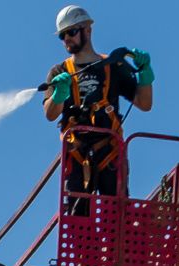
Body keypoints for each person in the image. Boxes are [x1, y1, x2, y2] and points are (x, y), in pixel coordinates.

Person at [42, 6, 155, 201]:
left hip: (109, 151)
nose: (67, 38)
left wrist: (145, 74)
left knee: (116, 211)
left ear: (88, 29)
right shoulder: (59, 72)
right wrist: (59, 94)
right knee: (77, 216)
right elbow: (50, 114)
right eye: (62, 35)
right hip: (77, 153)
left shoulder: (112, 67)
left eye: (71, 32)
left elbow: (144, 103)